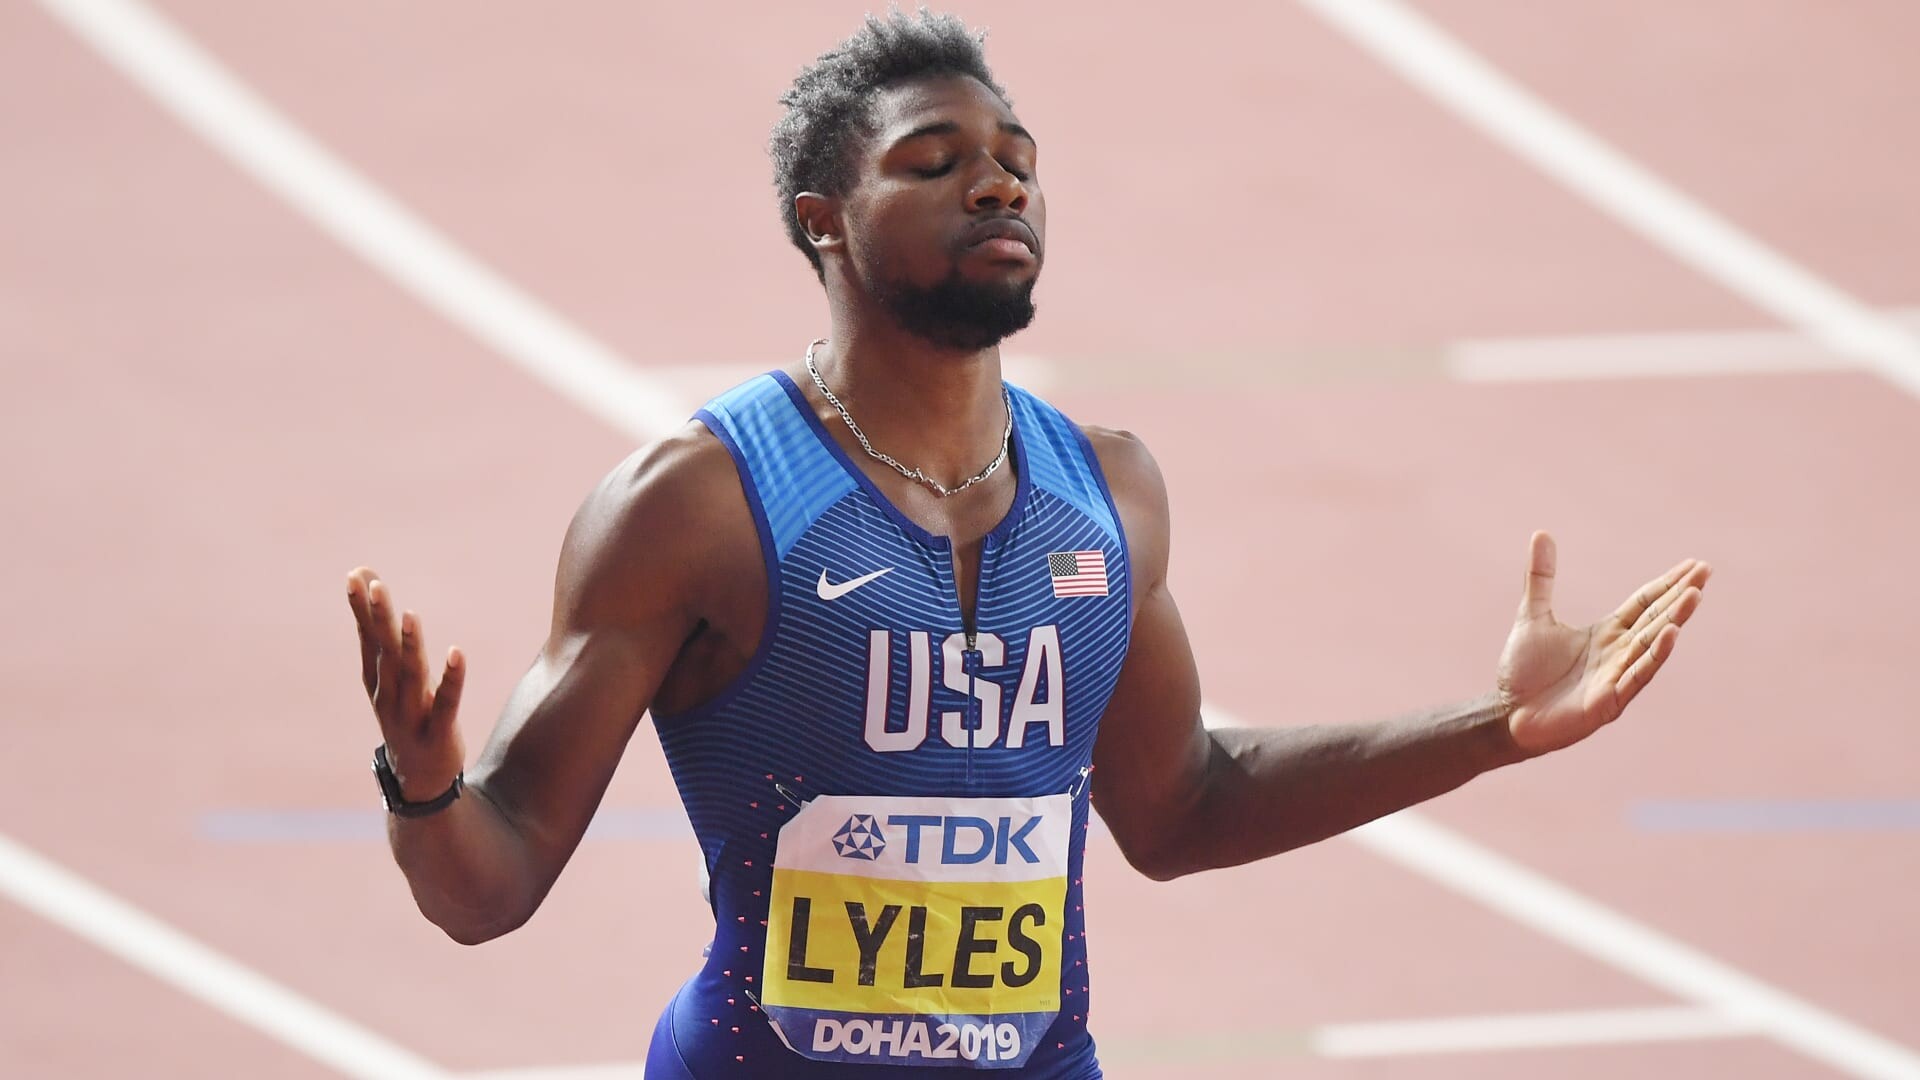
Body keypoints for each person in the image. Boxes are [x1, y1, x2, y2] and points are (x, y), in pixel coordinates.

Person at [344, 11, 1709, 1078]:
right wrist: (424, 785)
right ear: (823, 221)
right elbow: (490, 885)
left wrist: (1497, 728)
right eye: (934, 164)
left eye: (1018, 162)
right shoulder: (697, 505)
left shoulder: (1109, 494)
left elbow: (1180, 809)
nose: (997, 184)